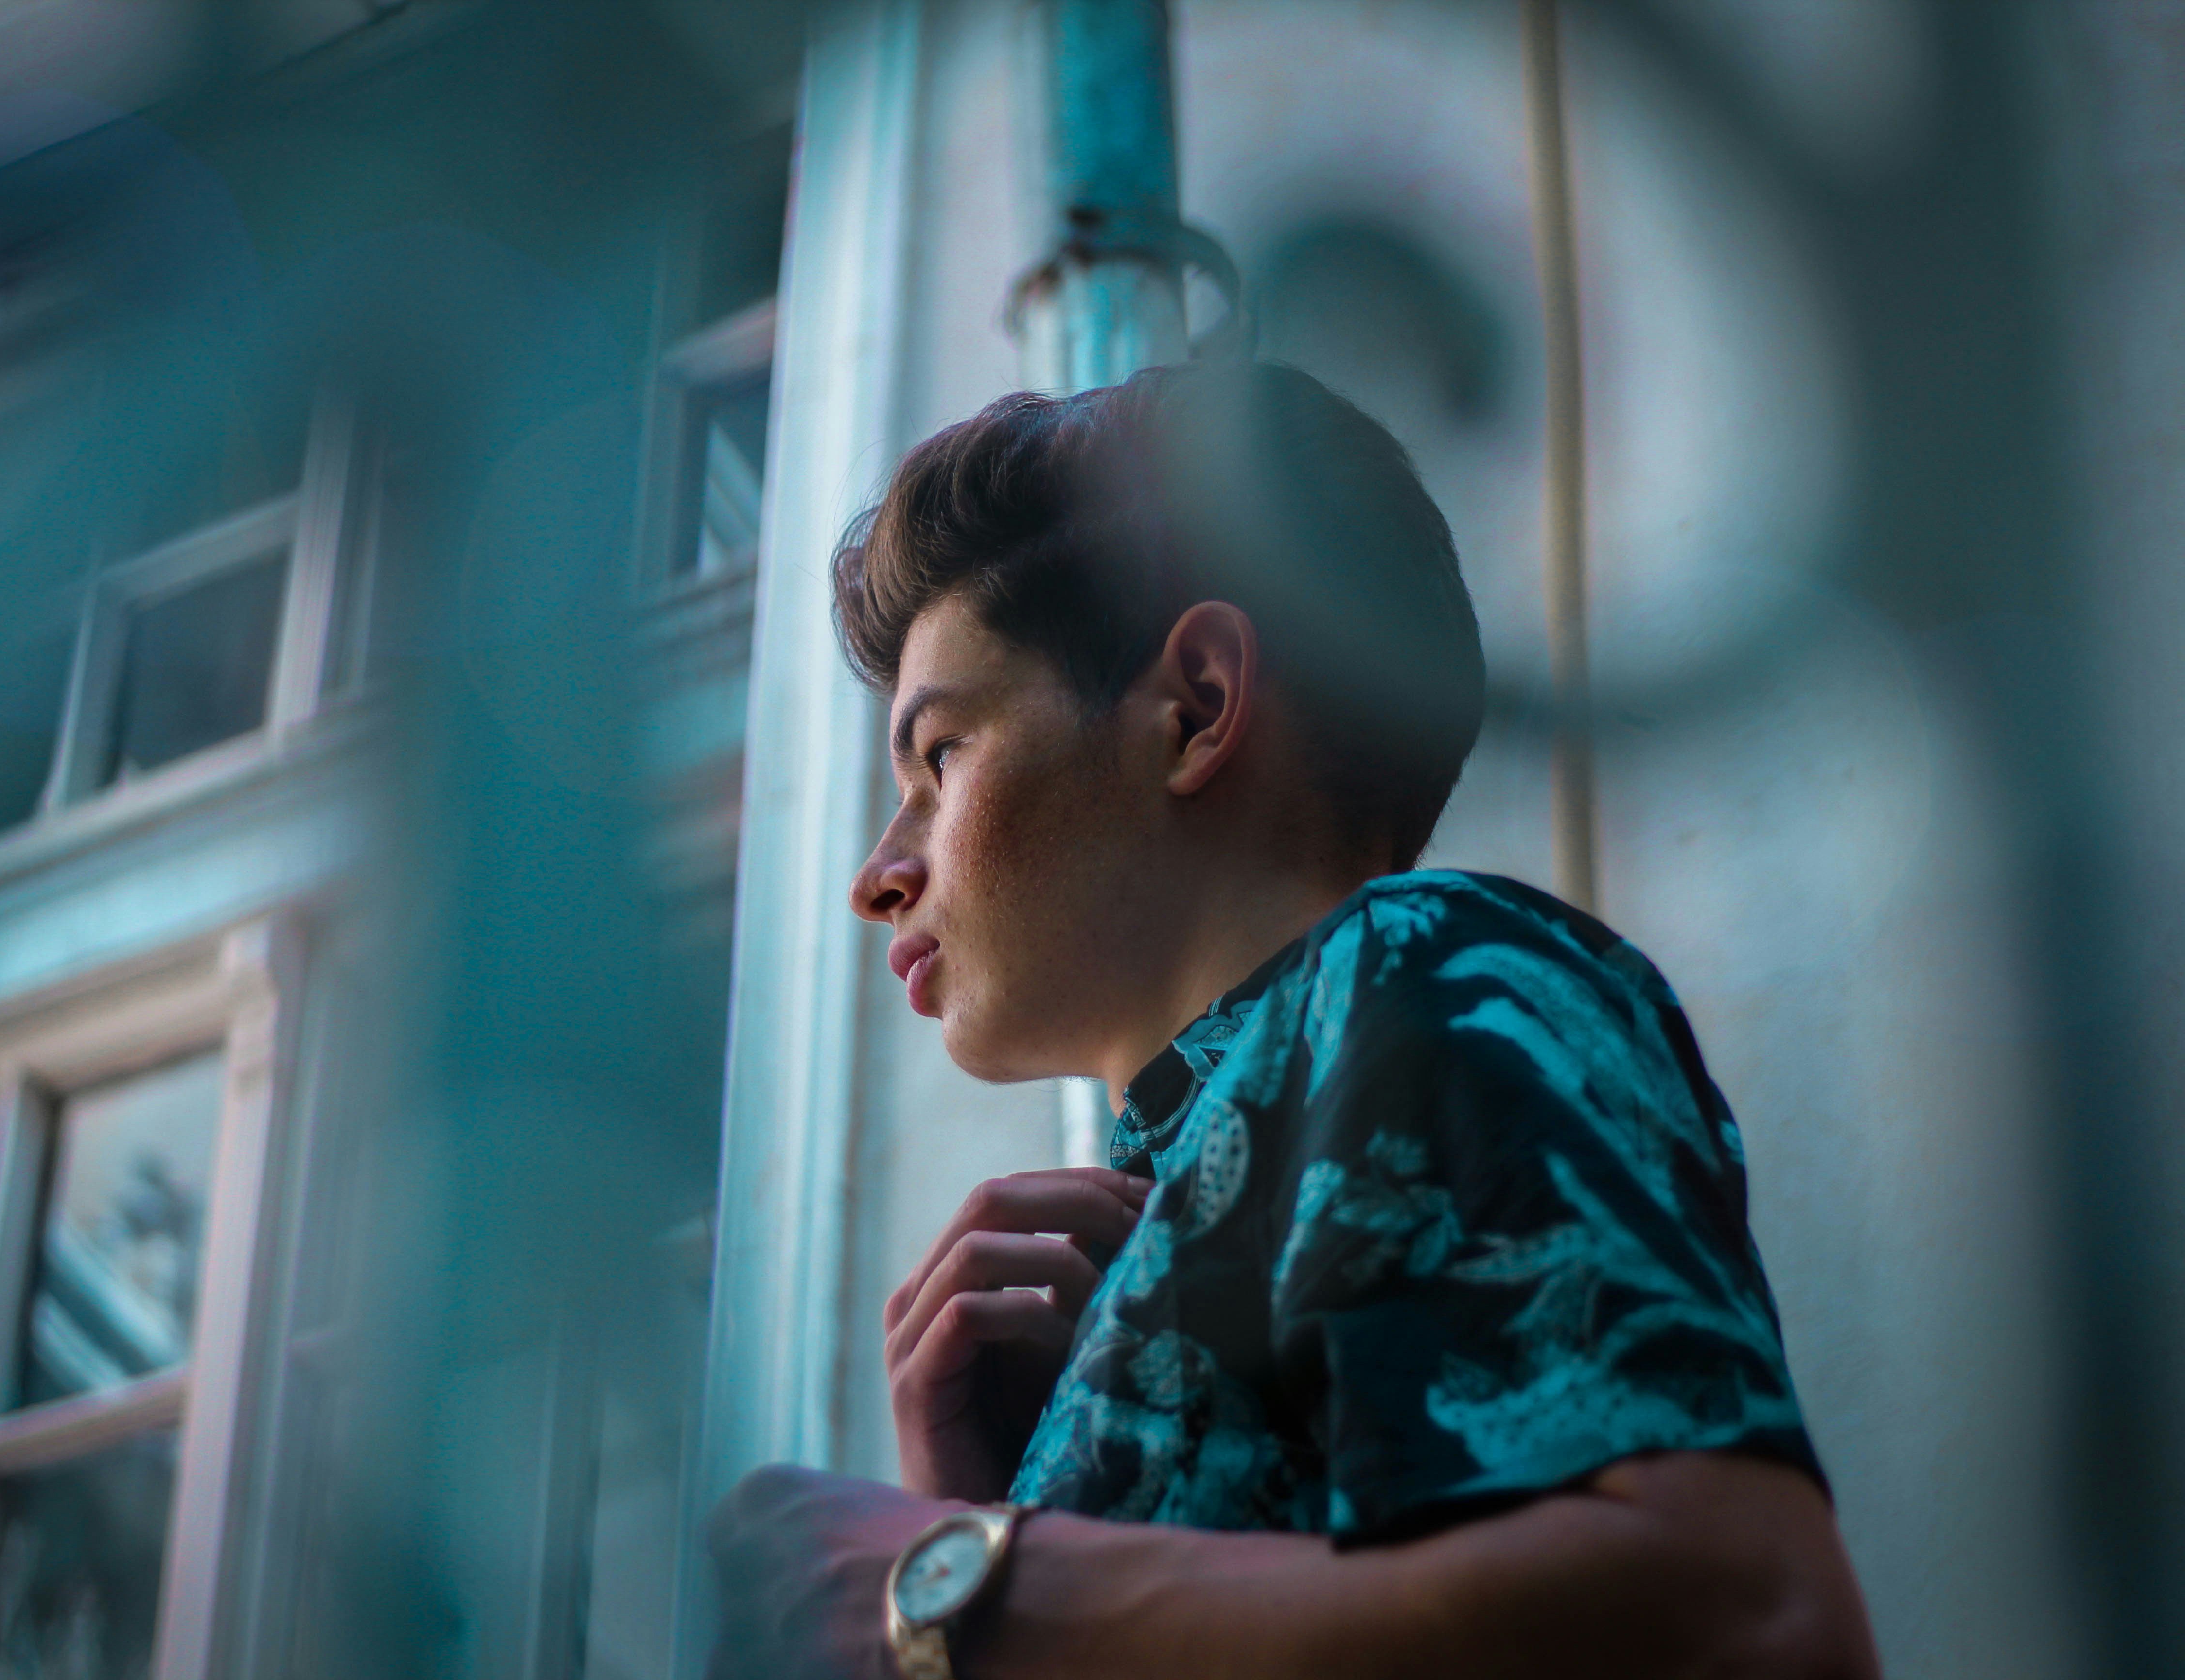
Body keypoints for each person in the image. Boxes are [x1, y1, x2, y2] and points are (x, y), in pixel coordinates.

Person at [705, 363, 1879, 1679]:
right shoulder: (1170, 1218)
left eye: (940, 757)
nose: (880, 875)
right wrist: (1016, 1510)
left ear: (1197, 707)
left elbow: (1750, 1621)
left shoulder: (1421, 967)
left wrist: (956, 1586)